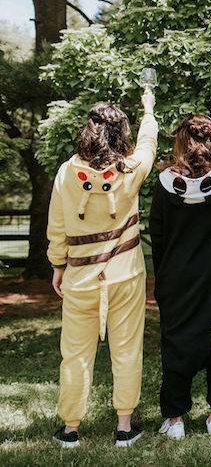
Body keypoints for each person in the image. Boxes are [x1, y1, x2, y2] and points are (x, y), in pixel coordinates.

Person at [47, 91, 158, 448]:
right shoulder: (130, 170)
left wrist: (57, 266)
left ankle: (70, 430)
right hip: (125, 275)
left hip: (79, 276)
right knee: (127, 348)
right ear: (120, 133)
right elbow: (148, 145)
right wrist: (149, 110)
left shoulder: (66, 172)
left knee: (75, 353)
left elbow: (57, 226)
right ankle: (124, 427)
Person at [150, 88, 211, 439]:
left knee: (177, 342)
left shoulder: (164, 185)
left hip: (177, 276)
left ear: (179, 143)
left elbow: (157, 235)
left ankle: (175, 418)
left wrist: (161, 277)